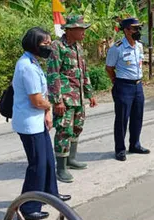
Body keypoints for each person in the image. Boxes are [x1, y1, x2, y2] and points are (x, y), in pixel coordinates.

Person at [12, 27, 71, 220]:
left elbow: (41, 97)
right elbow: (36, 100)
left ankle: (50, 194)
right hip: (29, 123)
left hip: (37, 121)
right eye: (45, 43)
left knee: (47, 161)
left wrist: (48, 112)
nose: (48, 46)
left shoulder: (33, 62)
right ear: (34, 44)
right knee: (37, 165)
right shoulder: (27, 66)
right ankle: (28, 207)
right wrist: (51, 106)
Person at [47, 15, 97, 183]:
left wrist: (90, 94)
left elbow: (84, 72)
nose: (83, 32)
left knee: (77, 128)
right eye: (80, 29)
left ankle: (71, 159)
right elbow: (53, 74)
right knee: (63, 131)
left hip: (79, 97)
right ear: (69, 30)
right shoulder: (57, 47)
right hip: (66, 99)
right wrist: (57, 100)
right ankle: (61, 168)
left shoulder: (78, 47)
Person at [106, 18, 150, 162]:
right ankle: (120, 149)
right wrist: (116, 81)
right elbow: (109, 68)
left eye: (138, 28)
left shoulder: (139, 46)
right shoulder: (117, 48)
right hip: (123, 86)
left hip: (138, 86)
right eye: (134, 29)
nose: (138, 31)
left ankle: (135, 145)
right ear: (126, 30)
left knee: (137, 116)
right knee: (122, 119)